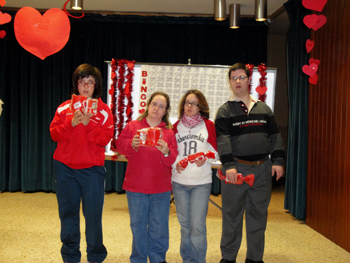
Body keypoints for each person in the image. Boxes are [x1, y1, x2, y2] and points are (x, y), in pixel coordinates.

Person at [215, 63, 285, 263]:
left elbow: (275, 136)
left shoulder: (264, 108)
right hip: (235, 171)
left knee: (258, 217)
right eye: (234, 78)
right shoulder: (224, 111)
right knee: (231, 217)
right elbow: (223, 140)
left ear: (248, 80)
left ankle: (254, 259)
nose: (238, 81)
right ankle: (228, 258)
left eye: (241, 77)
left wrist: (278, 160)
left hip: (262, 170)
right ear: (229, 82)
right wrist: (229, 165)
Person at [50, 64, 114, 263]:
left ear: (96, 86)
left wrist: (89, 125)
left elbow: (105, 139)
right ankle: (70, 256)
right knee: (68, 214)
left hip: (92, 171)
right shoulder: (63, 107)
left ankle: (95, 256)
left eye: (90, 82)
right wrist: (72, 124)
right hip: (65, 168)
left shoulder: (103, 110)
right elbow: (53, 134)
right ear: (76, 85)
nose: (85, 86)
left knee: (93, 216)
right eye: (82, 82)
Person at [115, 91, 178, 263]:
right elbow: (119, 145)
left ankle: (158, 259)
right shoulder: (133, 126)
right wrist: (131, 144)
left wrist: (166, 152)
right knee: (138, 226)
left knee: (159, 227)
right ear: (148, 105)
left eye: (161, 106)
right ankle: (138, 259)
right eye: (154, 104)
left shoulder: (169, 133)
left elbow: (173, 158)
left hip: (161, 188)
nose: (157, 108)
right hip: (136, 187)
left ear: (166, 111)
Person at [171, 89, 218, 263]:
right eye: (186, 103)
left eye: (194, 103)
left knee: (197, 227)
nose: (189, 106)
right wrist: (175, 163)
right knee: (185, 227)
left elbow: (216, 152)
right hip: (179, 183)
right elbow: (171, 153)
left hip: (201, 184)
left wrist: (205, 159)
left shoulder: (209, 126)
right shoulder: (175, 127)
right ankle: (186, 260)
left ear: (201, 107)